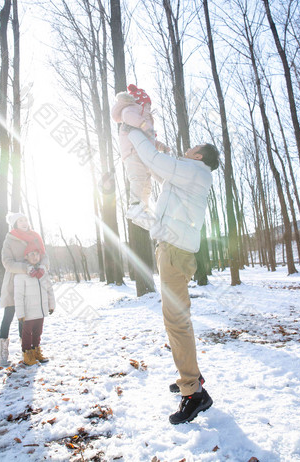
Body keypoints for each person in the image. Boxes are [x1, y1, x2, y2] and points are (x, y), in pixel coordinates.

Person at [127, 128, 219, 424]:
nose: (186, 150)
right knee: (178, 320)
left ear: (199, 156)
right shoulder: (189, 176)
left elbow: (154, 161)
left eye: (191, 149)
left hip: (175, 253)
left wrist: (133, 133)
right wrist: (156, 149)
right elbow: (161, 170)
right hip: (172, 250)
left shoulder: (195, 172)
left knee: (177, 322)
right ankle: (191, 377)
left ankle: (194, 393)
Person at [111, 84, 170, 229]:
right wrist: (143, 123)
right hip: (132, 153)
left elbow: (150, 140)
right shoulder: (132, 110)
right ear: (141, 103)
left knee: (146, 183)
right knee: (137, 178)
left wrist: (160, 145)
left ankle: (142, 207)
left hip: (143, 154)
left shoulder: (143, 118)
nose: (150, 108)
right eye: (148, 105)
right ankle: (134, 205)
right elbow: (128, 116)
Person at [0, 212, 49, 366]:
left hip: (32, 281)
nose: (24, 222)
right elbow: (7, 262)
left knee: (26, 317)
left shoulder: (35, 237)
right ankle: (3, 352)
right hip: (14, 281)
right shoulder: (9, 240)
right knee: (9, 314)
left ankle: (26, 351)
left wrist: (42, 267)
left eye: (25, 219)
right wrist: (25, 267)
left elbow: (44, 256)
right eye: (20, 220)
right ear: (15, 224)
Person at [14, 243, 55, 366]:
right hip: (28, 312)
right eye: (31, 254)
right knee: (27, 334)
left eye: (37, 254)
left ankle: (36, 350)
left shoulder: (43, 272)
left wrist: (51, 305)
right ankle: (27, 353)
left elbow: (49, 289)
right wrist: (20, 313)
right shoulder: (21, 275)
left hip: (41, 310)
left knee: (38, 332)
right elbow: (18, 296)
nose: (35, 256)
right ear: (25, 257)